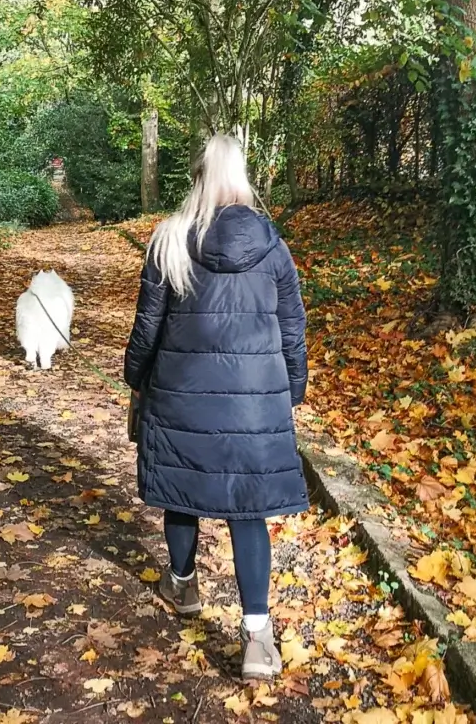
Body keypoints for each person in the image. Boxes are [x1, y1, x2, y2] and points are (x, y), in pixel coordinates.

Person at [123, 133, 309, 681]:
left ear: (199, 176)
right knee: (246, 510)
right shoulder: (274, 248)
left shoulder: (170, 241)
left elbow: (146, 330)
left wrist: (136, 380)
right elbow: (292, 331)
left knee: (183, 491)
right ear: (242, 177)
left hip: (182, 396)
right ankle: (257, 639)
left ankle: (182, 585)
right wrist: (289, 393)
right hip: (254, 408)